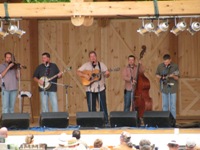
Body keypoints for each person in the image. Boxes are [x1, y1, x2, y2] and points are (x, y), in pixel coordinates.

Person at [77, 51, 110, 124]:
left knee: (103, 106)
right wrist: (85, 76)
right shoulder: (86, 65)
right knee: (91, 107)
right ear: (89, 58)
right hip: (90, 89)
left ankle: (105, 121)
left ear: (96, 57)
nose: (93, 58)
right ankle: (93, 121)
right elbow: (78, 72)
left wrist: (107, 74)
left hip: (100, 88)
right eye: (91, 57)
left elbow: (107, 74)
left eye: (94, 56)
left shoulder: (101, 65)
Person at [156, 54, 179, 120]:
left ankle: (173, 120)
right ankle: (165, 120)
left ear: (170, 60)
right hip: (164, 87)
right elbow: (156, 75)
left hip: (172, 87)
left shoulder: (175, 66)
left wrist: (173, 76)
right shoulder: (160, 66)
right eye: (164, 62)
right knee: (165, 105)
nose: (165, 63)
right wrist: (161, 77)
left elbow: (177, 77)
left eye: (167, 62)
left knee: (172, 106)